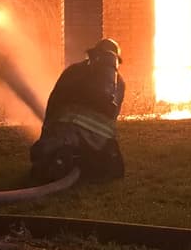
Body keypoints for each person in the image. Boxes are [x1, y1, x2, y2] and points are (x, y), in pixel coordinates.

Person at [30, 38, 127, 183]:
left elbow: (54, 101)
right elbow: (112, 116)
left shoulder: (73, 71)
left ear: (93, 54)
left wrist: (46, 130)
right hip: (98, 139)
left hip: (66, 129)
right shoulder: (119, 83)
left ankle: (55, 155)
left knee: (53, 149)